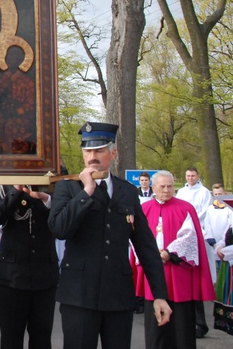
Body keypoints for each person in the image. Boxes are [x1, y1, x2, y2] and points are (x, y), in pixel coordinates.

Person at [48, 121, 171, 349]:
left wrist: (159, 295)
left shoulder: (126, 191)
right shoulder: (69, 188)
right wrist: (86, 192)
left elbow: (145, 245)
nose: (92, 156)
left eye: (99, 150)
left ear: (113, 153)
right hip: (79, 296)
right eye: (87, 151)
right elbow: (59, 229)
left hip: (118, 296)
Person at [136, 170, 215, 348]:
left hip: (178, 272)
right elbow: (137, 237)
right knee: (156, 330)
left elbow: (190, 237)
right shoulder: (144, 209)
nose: (166, 190)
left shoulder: (185, 208)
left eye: (170, 186)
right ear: (153, 187)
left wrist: (169, 253)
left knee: (181, 328)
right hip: (153, 271)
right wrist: (152, 254)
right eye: (162, 186)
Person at [0, 183, 58, 349]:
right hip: (12, 276)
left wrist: (47, 199)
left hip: (44, 275)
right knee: (11, 338)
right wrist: (16, 190)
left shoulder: (54, 179)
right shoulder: (3, 186)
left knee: (42, 337)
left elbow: (63, 212)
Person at [174, 166, 213, 337]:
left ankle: (200, 323)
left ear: (198, 176)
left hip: (197, 232)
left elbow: (205, 210)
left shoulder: (204, 192)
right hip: (181, 234)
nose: (190, 178)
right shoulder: (181, 191)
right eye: (187, 175)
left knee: (195, 278)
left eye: (193, 175)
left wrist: (192, 219)